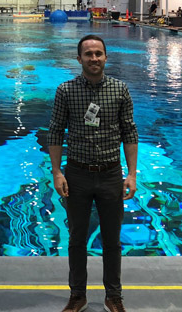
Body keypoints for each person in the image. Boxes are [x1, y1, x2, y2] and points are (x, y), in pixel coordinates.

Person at [48, 35, 138, 312]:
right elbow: (55, 132)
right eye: (88, 54)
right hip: (77, 174)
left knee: (112, 239)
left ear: (106, 57)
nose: (94, 58)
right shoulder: (66, 91)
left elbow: (130, 132)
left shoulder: (120, 90)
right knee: (76, 239)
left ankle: (114, 296)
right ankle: (78, 295)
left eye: (98, 53)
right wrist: (56, 172)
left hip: (111, 174)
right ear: (79, 59)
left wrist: (132, 174)